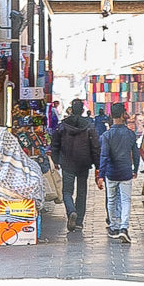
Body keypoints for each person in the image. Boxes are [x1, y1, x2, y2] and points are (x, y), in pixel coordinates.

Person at [50, 98, 100, 232]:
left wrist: (55, 160)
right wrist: (98, 164)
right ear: (83, 110)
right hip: (84, 163)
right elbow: (95, 146)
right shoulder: (89, 126)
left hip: (67, 162)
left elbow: (55, 144)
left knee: (67, 191)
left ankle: (71, 211)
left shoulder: (63, 126)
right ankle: (79, 222)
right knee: (82, 191)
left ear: (71, 109)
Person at [97, 103, 140, 243]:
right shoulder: (130, 134)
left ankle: (114, 226)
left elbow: (103, 156)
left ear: (111, 116)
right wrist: (136, 169)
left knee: (111, 199)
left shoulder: (106, 135)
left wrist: (101, 175)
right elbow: (136, 153)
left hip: (111, 172)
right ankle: (124, 227)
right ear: (123, 115)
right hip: (126, 171)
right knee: (126, 200)